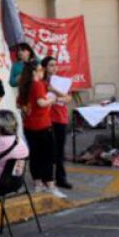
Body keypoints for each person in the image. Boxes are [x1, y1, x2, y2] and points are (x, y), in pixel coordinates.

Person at [18, 59, 62, 198]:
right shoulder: (37, 84)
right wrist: (52, 99)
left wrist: (27, 111)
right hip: (42, 125)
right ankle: (50, 184)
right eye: (41, 70)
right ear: (34, 72)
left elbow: (19, 104)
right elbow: (41, 102)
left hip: (29, 125)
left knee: (35, 155)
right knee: (47, 155)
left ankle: (38, 184)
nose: (43, 72)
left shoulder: (25, 85)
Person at [40, 57, 73, 191]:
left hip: (60, 118)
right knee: (46, 150)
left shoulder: (61, 81)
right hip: (45, 119)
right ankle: (46, 177)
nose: (54, 68)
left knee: (59, 150)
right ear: (45, 68)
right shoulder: (40, 82)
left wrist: (54, 92)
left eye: (55, 65)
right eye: (51, 65)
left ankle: (61, 178)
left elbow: (68, 98)